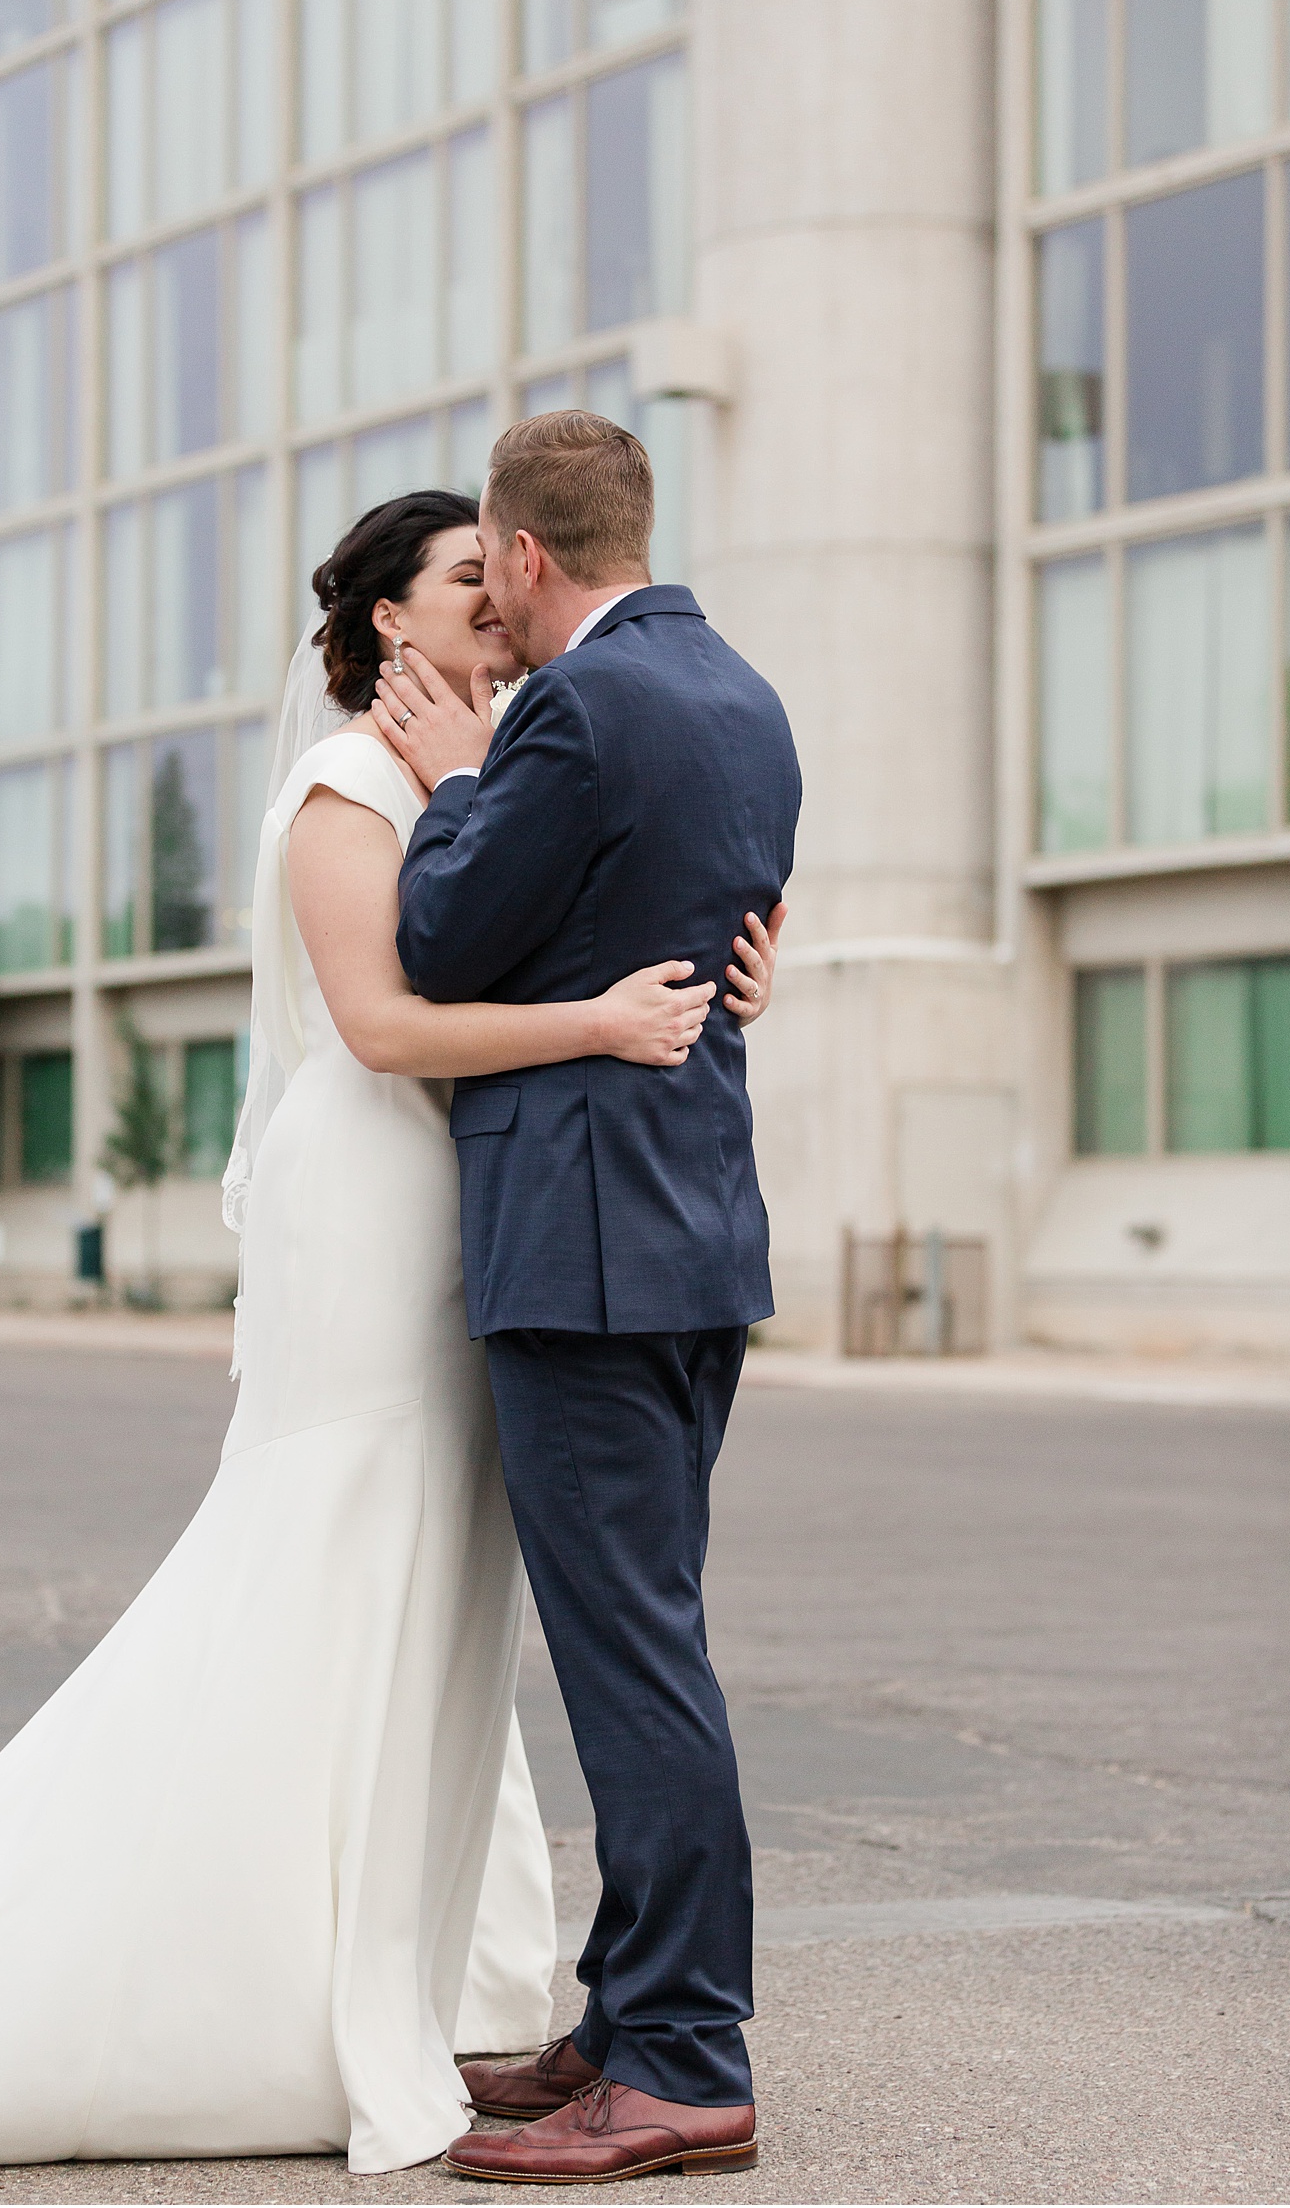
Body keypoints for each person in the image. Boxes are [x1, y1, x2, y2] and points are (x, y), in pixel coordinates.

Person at [0, 488, 783, 2177]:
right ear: (388, 620)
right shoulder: (344, 788)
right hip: (386, 1202)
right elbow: (387, 1022)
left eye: (498, 568)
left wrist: (713, 976)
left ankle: (459, 1965)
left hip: (489, 1201)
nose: (494, 595)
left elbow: (624, 907)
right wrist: (607, 1020)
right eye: (463, 576)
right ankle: (218, 1966)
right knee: (337, 1551)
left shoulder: (507, 760)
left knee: (440, 1584)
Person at [371, 415, 803, 2185]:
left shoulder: (569, 708)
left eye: (493, 567)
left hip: (587, 1242)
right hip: (695, 1228)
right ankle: (630, 2012)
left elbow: (446, 936)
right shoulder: (745, 693)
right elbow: (725, 930)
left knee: (634, 1653)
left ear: (526, 555)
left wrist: (465, 780)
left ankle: (687, 2056)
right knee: (653, 1629)